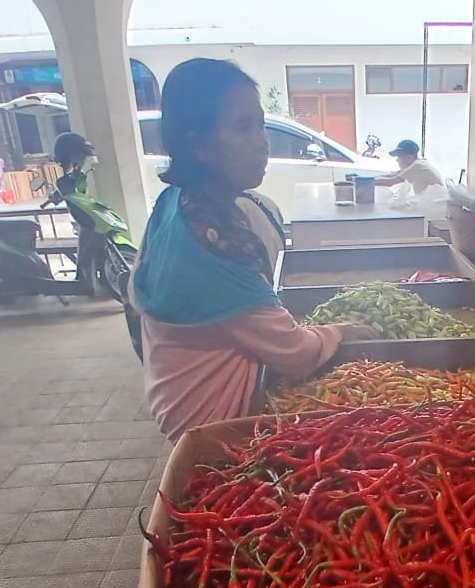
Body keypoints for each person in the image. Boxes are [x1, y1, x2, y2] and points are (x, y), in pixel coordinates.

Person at [131, 58, 375, 443]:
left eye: (260, 124)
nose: (262, 141)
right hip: (211, 420)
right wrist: (339, 332)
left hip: (169, 395)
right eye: (243, 126)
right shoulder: (217, 242)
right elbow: (294, 352)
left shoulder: (173, 201)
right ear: (198, 144)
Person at [375, 139, 445, 193]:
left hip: (436, 206)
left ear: (409, 157)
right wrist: (369, 178)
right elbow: (394, 175)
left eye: (399, 157)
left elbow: (390, 182)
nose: (397, 160)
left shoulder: (417, 167)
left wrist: (367, 182)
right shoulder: (419, 164)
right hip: (433, 203)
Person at [52, 131, 96, 198]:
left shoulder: (80, 176)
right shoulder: (64, 182)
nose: (83, 161)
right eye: (81, 157)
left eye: (84, 157)